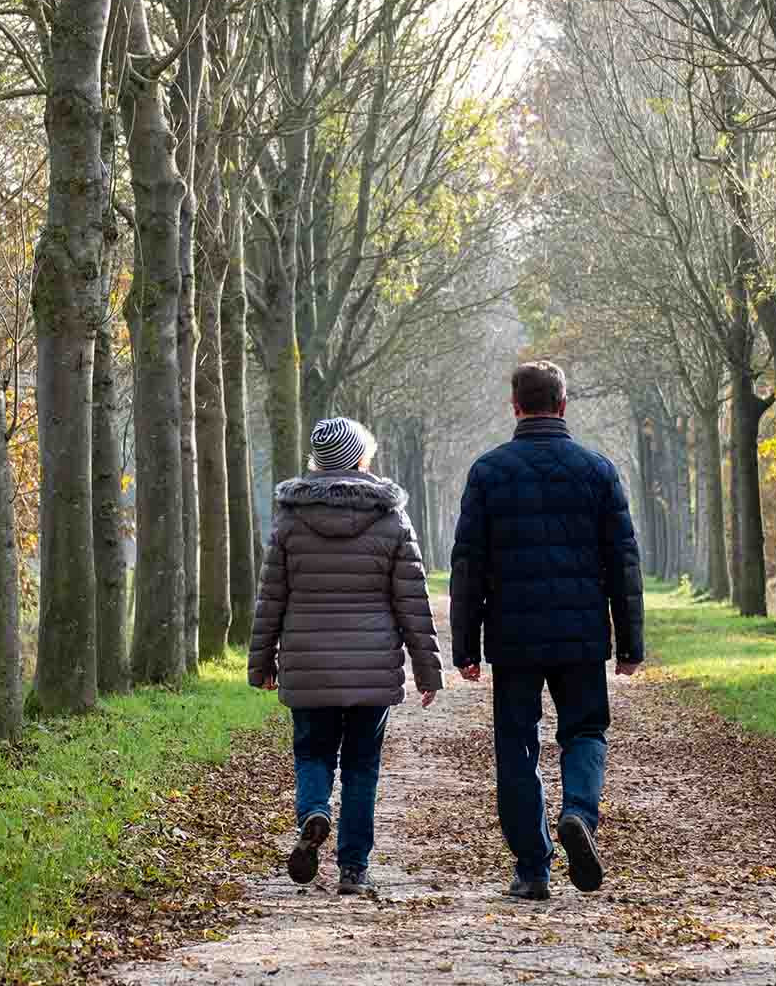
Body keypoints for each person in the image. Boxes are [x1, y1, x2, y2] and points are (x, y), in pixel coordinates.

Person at [450, 360, 645, 900]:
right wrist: (630, 642)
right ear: (563, 405)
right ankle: (579, 812)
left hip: (512, 637)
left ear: (515, 407)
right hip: (581, 633)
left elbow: (467, 563)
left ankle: (533, 868)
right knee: (584, 732)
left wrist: (464, 645)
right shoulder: (598, 471)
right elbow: (623, 562)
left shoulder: (488, 472)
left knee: (517, 747)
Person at [249, 416, 444, 896]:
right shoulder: (391, 517)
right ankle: (354, 869)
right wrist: (427, 668)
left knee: (313, 751)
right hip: (370, 666)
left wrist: (261, 662)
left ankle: (315, 809)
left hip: (307, 661)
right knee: (362, 765)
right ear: (361, 458)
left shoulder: (290, 519)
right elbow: (411, 601)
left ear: (316, 462)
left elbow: (270, 596)